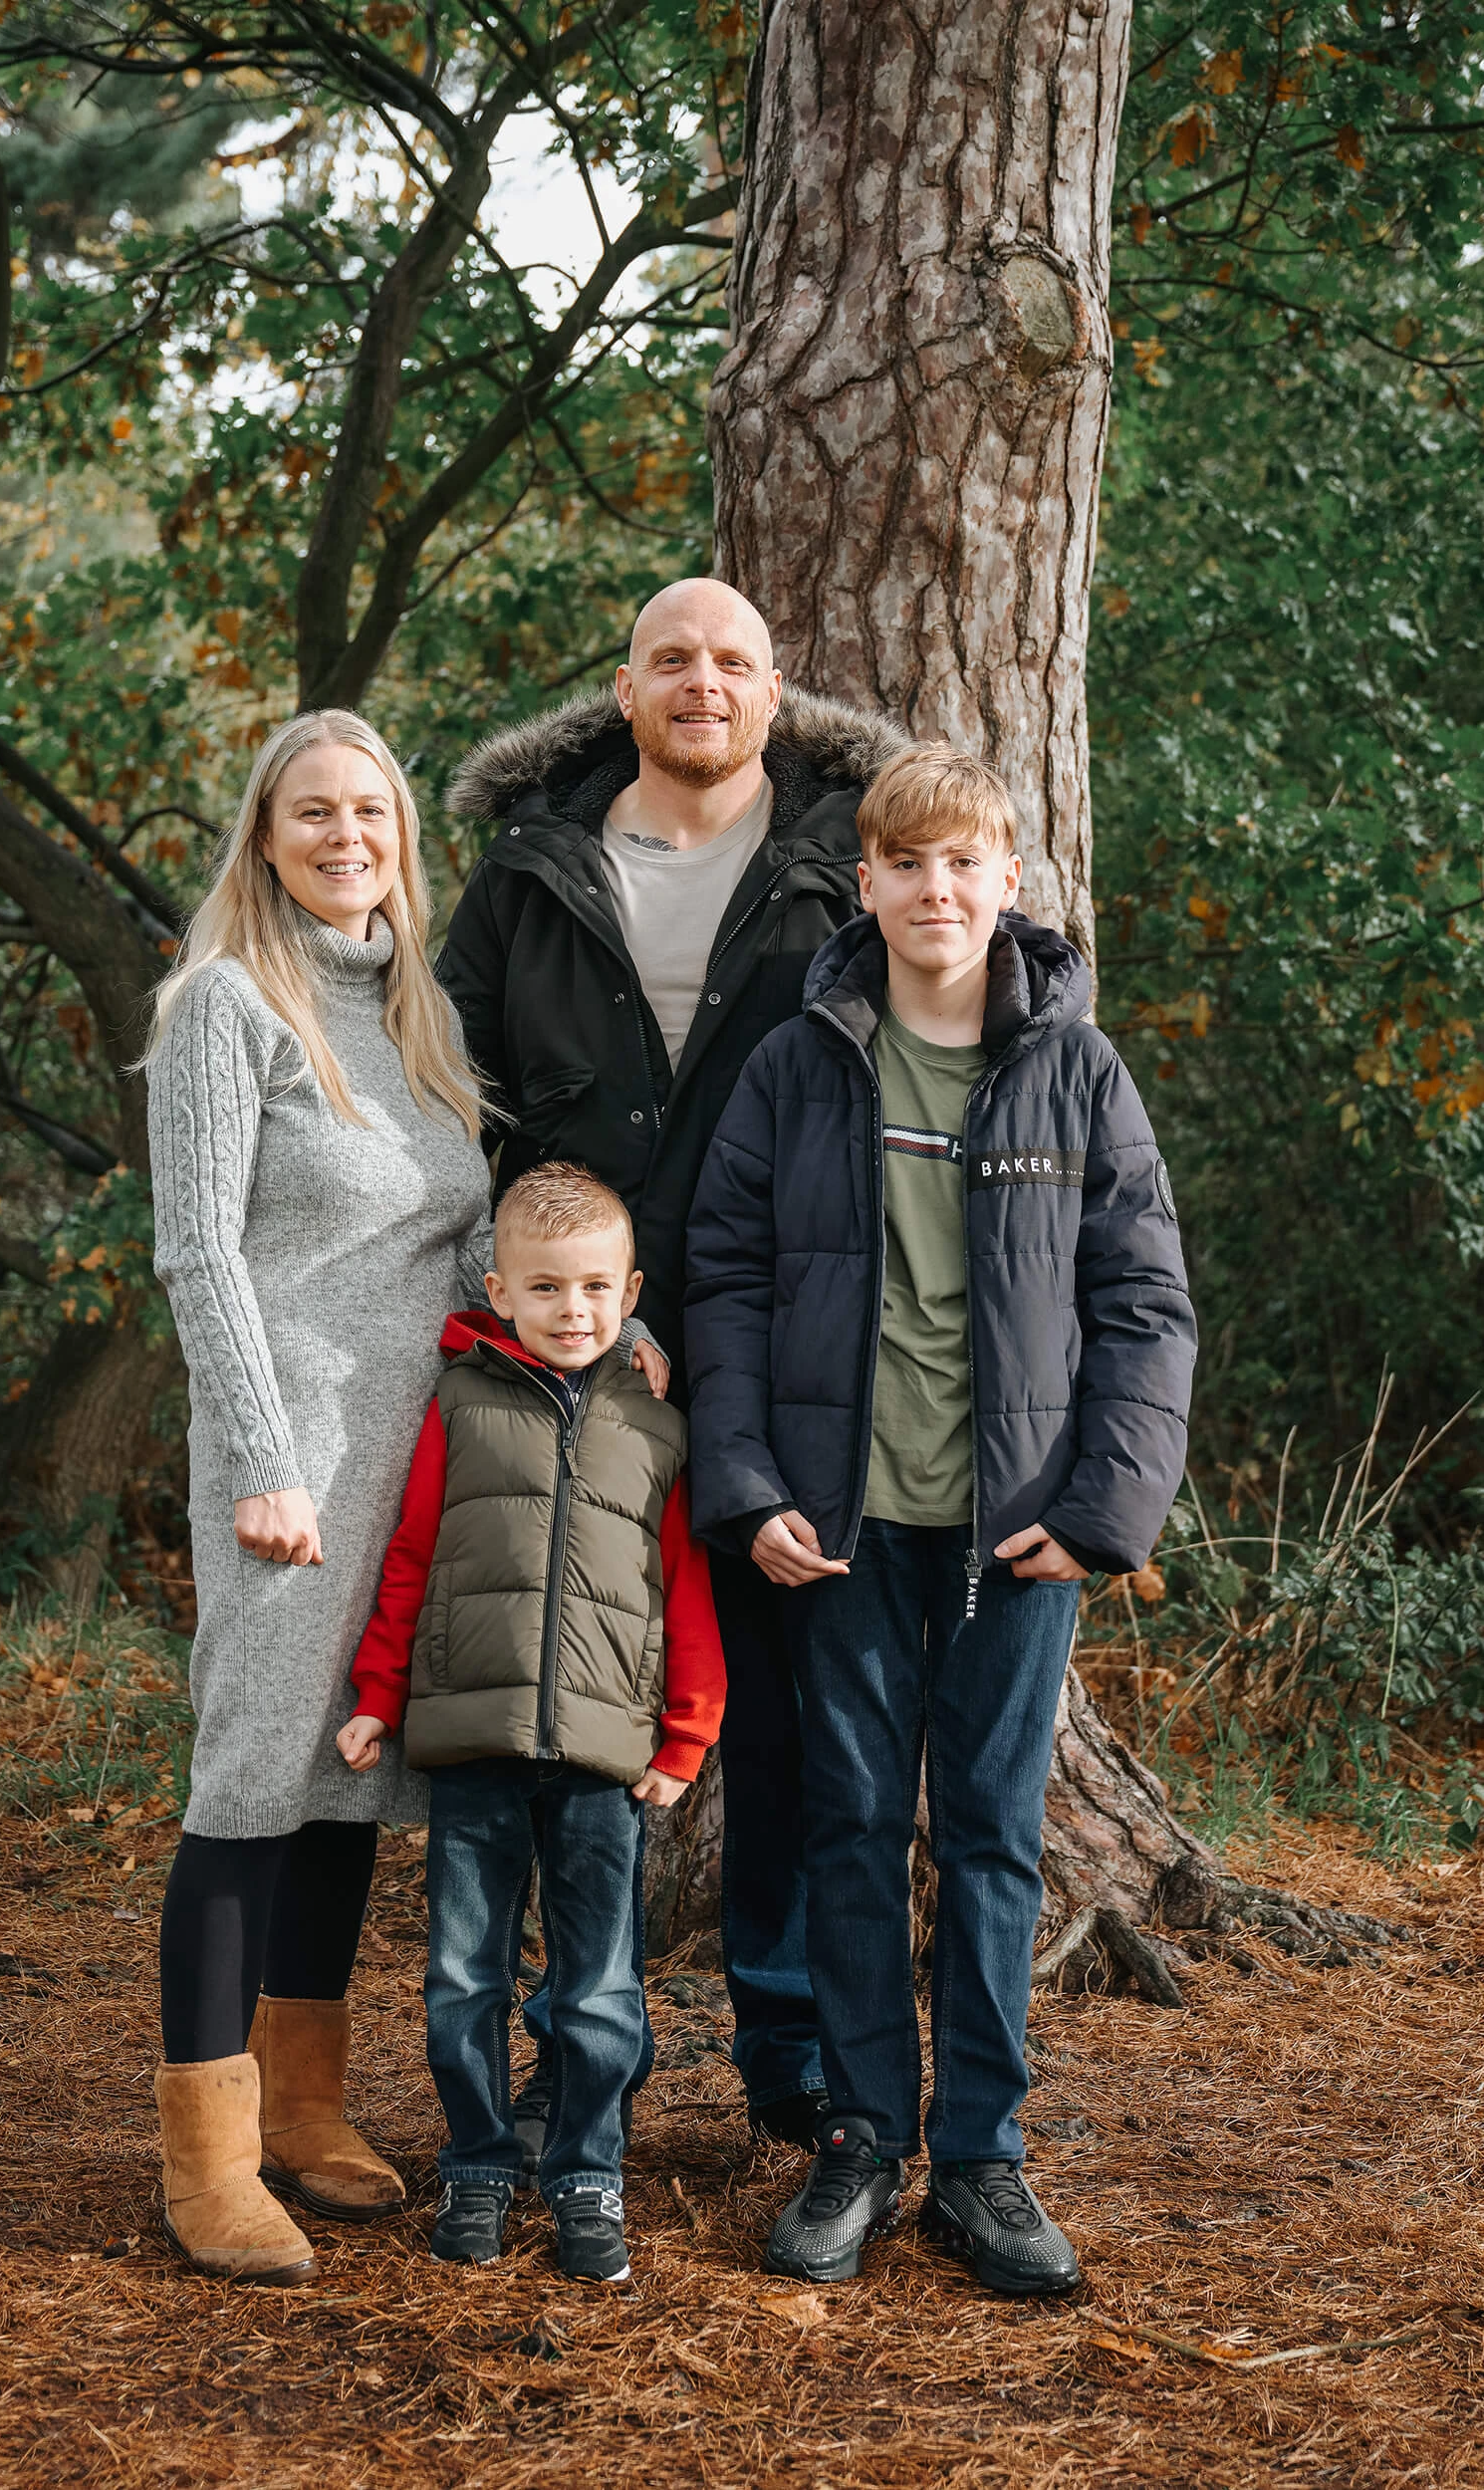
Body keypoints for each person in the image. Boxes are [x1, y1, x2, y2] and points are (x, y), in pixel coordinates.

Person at [143, 710, 662, 2288]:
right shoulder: (223, 1007)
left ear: (400, 836)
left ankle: (306, 2110)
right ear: (265, 834)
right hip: (287, 1471)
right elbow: (199, 1252)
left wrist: (598, 1330)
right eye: (313, 813)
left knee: (355, 1784)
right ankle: (209, 2157)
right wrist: (259, 1459)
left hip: (418, 1465)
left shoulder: (420, 1015)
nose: (345, 836)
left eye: (369, 811)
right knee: (248, 1792)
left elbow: (454, 1253)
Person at [685, 745, 1196, 2294]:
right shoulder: (797, 1061)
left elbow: (1143, 1303)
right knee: (845, 1827)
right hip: (834, 1530)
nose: (933, 891)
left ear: (1006, 883)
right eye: (904, 865)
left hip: (1014, 1538)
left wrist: (1104, 1509)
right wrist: (748, 1487)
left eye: (961, 864)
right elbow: (722, 1281)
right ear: (867, 885)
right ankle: (856, 2140)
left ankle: (979, 2162)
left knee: (986, 1839)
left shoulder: (1072, 1069)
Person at [437, 577, 905, 2151]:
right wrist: (556, 1281)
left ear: (774, 696)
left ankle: (789, 2051)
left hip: (788, 1341)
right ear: (622, 689)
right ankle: (580, 2048)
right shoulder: (526, 872)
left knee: (782, 1706)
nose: (701, 685)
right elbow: (467, 1093)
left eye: (731, 663)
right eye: (670, 662)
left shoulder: (845, 862)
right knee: (563, 1696)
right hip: (573, 1343)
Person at [338, 1162, 726, 2284]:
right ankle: (478, 2161)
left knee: (599, 1980)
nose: (573, 1311)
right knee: (465, 1973)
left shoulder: (656, 1422)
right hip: (475, 1746)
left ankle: (586, 2171)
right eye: (547, 1288)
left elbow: (683, 1587)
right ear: (499, 1290)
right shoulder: (457, 1401)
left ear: (630, 1290)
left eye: (596, 1289)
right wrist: (376, 1696)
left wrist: (688, 1733)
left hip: (608, 1758)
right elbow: (411, 1561)